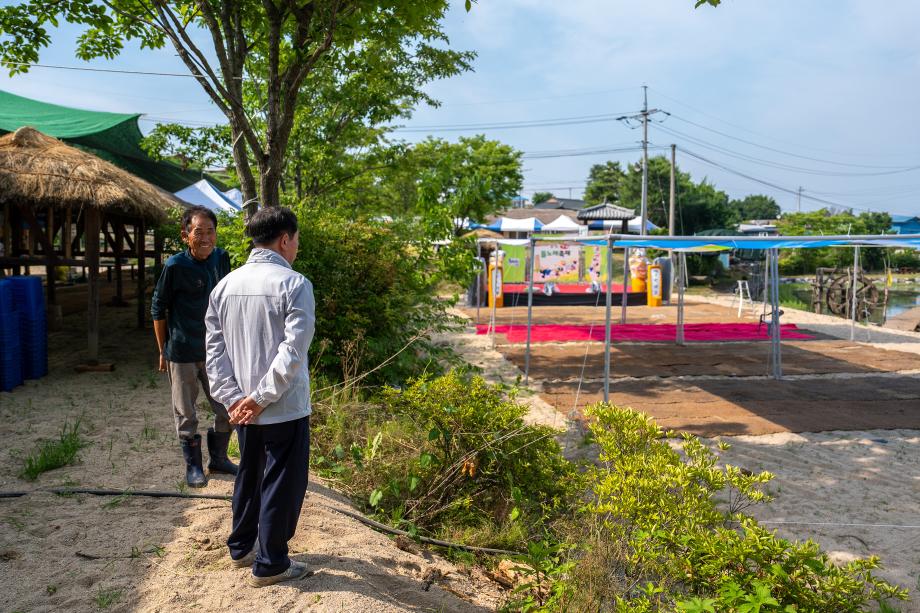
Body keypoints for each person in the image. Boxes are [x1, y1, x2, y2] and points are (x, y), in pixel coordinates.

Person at [205, 206, 315, 587]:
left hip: (242, 409)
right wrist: (261, 397)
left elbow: (214, 352)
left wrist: (233, 398)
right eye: (296, 240)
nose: (296, 248)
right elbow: (292, 352)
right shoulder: (295, 284)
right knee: (281, 482)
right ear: (285, 239)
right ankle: (270, 564)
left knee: (249, 475)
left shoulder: (224, 285)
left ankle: (240, 546)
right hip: (282, 406)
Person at [151, 205, 236, 488]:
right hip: (183, 351)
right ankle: (193, 467)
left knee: (227, 406)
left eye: (210, 231)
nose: (205, 238)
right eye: (198, 231)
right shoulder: (175, 266)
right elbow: (158, 308)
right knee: (186, 413)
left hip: (215, 351)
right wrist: (163, 349)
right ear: (185, 235)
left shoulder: (221, 259)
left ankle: (219, 458)